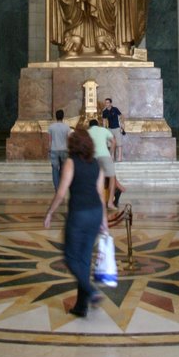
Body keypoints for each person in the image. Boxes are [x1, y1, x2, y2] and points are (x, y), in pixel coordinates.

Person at [44, 127, 108, 317]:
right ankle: (81, 306)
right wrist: (104, 220)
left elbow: (61, 193)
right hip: (95, 213)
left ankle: (91, 291)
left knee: (71, 257)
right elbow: (100, 195)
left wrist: (49, 213)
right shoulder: (97, 164)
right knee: (84, 259)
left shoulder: (71, 163)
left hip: (79, 214)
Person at [88, 118, 121, 210]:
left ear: (90, 126)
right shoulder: (103, 130)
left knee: (93, 179)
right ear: (97, 125)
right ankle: (110, 203)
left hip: (93, 158)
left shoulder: (87, 132)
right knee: (111, 178)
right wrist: (111, 153)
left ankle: (94, 201)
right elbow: (114, 142)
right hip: (105, 156)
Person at [47, 109, 70, 189]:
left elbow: (50, 140)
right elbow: (68, 140)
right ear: (63, 117)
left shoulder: (51, 127)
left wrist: (49, 150)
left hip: (54, 149)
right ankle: (61, 185)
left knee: (55, 169)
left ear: (56, 117)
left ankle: (57, 188)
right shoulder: (66, 127)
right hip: (64, 149)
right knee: (63, 168)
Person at [102, 97, 125, 162]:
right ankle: (112, 157)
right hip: (109, 128)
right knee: (110, 143)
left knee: (119, 143)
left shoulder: (115, 109)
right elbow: (104, 121)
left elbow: (121, 116)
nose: (106, 104)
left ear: (110, 103)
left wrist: (122, 125)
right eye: (105, 103)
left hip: (117, 128)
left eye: (108, 102)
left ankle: (120, 157)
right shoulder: (104, 111)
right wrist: (104, 129)